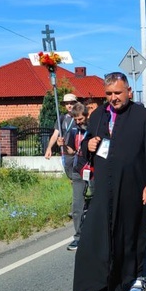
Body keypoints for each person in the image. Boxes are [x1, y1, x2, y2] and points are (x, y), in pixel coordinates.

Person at [65, 73, 146, 291]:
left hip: (134, 185)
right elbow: (87, 147)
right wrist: (88, 146)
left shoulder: (144, 117)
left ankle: (137, 274)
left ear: (129, 90)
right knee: (93, 238)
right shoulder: (98, 115)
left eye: (117, 93)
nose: (113, 98)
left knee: (132, 232)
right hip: (103, 189)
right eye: (109, 94)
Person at [57, 102, 90, 251]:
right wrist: (63, 145)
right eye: (76, 120)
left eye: (80, 119)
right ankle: (78, 236)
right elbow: (72, 151)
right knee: (77, 206)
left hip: (95, 170)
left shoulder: (95, 130)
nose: (78, 122)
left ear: (86, 116)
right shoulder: (74, 131)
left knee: (98, 202)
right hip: (79, 170)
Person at [45, 93, 78, 171]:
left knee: (78, 178)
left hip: (77, 153)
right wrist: (49, 148)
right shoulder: (61, 118)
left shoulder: (79, 118)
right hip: (66, 153)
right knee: (70, 177)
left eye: (71, 103)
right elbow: (55, 134)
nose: (69, 106)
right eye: (67, 103)